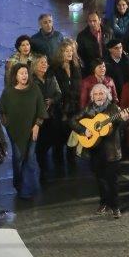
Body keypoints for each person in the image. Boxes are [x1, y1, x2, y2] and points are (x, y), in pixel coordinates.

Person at [70, 82, 129, 217]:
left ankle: (115, 206)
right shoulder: (88, 109)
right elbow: (72, 120)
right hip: (95, 150)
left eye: (101, 93)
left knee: (112, 180)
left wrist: (125, 120)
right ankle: (104, 203)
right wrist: (84, 130)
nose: (98, 96)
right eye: (95, 94)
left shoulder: (114, 108)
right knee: (100, 179)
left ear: (107, 95)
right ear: (92, 96)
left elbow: (123, 128)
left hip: (111, 150)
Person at [0, 64, 46, 199]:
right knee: (18, 158)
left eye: (25, 73)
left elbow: (41, 110)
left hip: (32, 130)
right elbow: (2, 111)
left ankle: (29, 188)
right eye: (21, 73)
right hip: (15, 132)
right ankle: (19, 185)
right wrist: (8, 127)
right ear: (16, 76)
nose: (24, 75)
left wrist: (37, 125)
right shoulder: (8, 92)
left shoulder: (34, 89)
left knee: (30, 158)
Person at [53, 39, 83, 173]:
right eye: (67, 51)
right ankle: (58, 162)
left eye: (71, 51)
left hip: (75, 106)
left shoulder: (76, 66)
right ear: (61, 53)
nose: (70, 53)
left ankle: (71, 158)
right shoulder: (55, 69)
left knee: (73, 133)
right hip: (62, 107)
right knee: (60, 136)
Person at [32, 54, 63, 179]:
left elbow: (59, 93)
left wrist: (52, 100)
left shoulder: (51, 77)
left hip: (53, 115)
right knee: (41, 146)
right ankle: (43, 170)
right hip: (39, 118)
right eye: (41, 62)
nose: (45, 64)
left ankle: (57, 169)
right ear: (35, 66)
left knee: (56, 141)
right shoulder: (31, 81)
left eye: (46, 62)